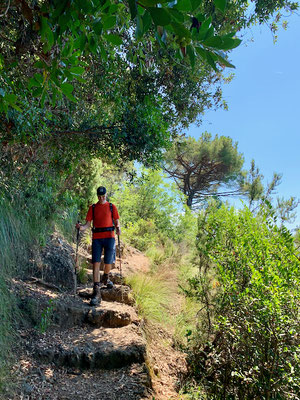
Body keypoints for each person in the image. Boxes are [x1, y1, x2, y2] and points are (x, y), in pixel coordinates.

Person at [76, 186, 121, 306]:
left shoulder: (112, 207)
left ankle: (106, 277)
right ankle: (96, 292)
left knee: (108, 262)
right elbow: (87, 225)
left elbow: (116, 221)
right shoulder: (93, 207)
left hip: (110, 237)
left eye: (103, 196)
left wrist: (118, 228)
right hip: (96, 238)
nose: (101, 198)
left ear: (106, 195)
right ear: (97, 196)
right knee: (96, 263)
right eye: (99, 196)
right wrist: (81, 228)